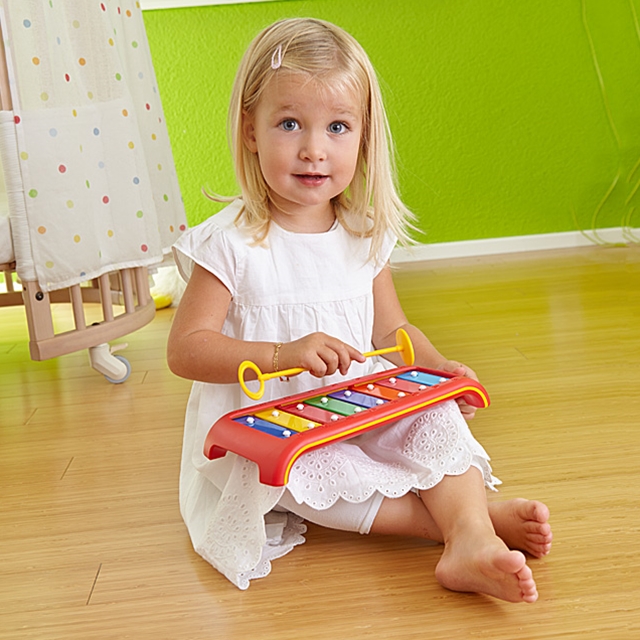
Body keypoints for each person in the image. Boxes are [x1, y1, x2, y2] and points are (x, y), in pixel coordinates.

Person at [167, 17, 552, 601]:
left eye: (338, 127)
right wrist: (279, 356)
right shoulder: (230, 245)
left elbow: (391, 327)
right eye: (289, 123)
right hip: (273, 424)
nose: (314, 149)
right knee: (301, 479)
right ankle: (467, 526)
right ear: (250, 131)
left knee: (437, 417)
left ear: (364, 137)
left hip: (357, 399)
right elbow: (186, 349)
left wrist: (440, 366)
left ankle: (467, 533)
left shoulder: (362, 232)